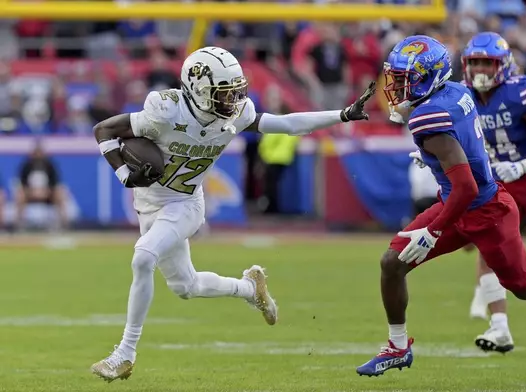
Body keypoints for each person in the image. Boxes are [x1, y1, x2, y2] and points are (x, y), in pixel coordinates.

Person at [91, 46, 375, 382]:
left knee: (142, 257)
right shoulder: (165, 111)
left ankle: (124, 353)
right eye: (223, 94)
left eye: (234, 92)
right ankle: (249, 288)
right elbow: (104, 132)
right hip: (149, 203)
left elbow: (285, 124)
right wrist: (124, 174)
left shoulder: (236, 114)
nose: (232, 101)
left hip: (184, 203)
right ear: (197, 91)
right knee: (187, 286)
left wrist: (341, 114)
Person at [355, 35, 526, 378]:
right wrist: (432, 158)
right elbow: (463, 147)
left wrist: (433, 230)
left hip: (485, 210)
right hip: (459, 202)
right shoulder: (457, 93)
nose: (397, 86)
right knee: (392, 262)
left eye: (406, 79)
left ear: (429, 75)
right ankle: (397, 346)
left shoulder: (429, 117)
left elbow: (465, 185)